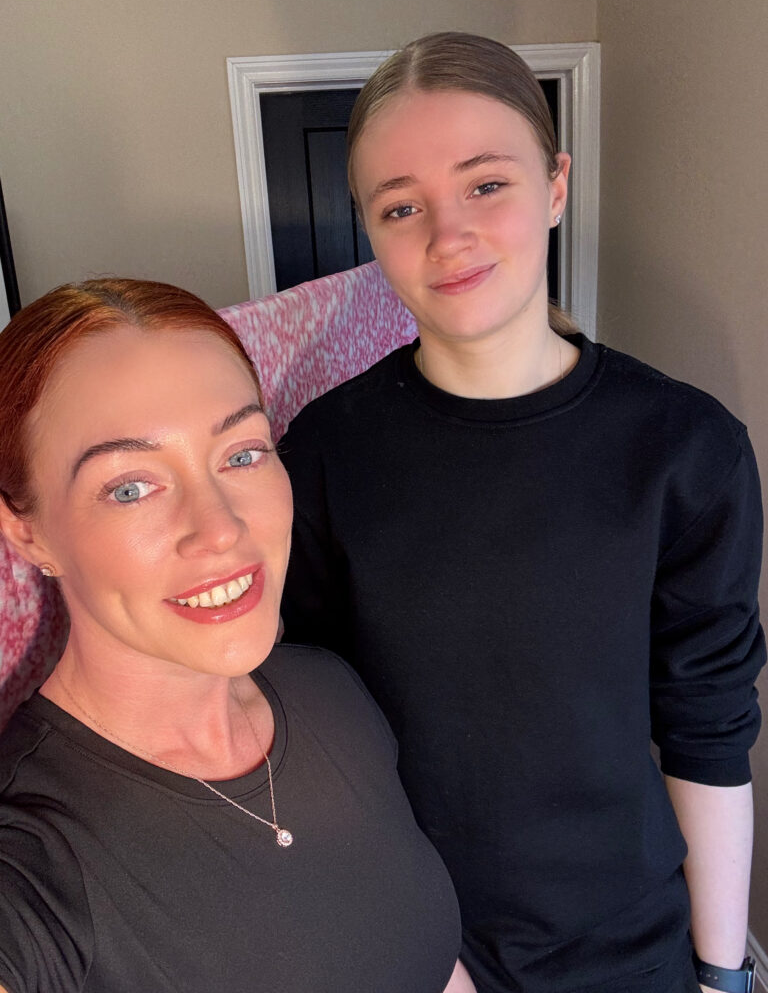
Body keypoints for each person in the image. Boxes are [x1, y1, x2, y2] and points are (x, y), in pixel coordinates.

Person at [279, 32, 765, 993]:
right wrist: (407, 941)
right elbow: (306, 722)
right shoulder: (326, 452)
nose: (446, 235)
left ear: (555, 186)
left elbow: (708, 727)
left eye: (486, 184)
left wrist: (723, 975)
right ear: (369, 229)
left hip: (631, 949)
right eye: (401, 206)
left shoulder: (685, 448)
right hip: (413, 943)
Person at [0, 278, 475, 993]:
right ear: (27, 531)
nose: (221, 529)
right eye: (130, 487)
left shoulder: (328, 690)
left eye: (242, 453)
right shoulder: (32, 856)